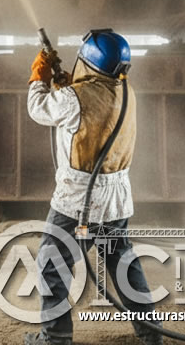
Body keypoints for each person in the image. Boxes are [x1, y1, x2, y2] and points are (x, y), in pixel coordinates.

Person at [23, 29, 162, 345]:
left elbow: (39, 108)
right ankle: (152, 335)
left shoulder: (76, 98)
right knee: (122, 263)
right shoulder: (127, 92)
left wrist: (39, 74)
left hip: (79, 200)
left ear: (89, 60)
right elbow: (91, 111)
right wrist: (68, 87)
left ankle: (55, 338)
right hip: (115, 201)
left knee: (51, 263)